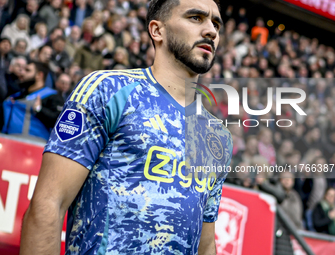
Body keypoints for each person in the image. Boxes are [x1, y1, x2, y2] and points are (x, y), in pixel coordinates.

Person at [20, 0, 233, 254]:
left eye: (216, 23)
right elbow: (47, 205)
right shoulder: (108, 90)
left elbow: (206, 244)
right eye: (196, 18)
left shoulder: (217, 136)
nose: (211, 30)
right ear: (157, 30)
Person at [2, 61, 57, 141]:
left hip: (36, 146)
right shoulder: (16, 95)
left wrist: (39, 110)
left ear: (39, 75)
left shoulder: (52, 96)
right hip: (9, 143)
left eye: (27, 70)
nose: (22, 73)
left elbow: (57, 122)